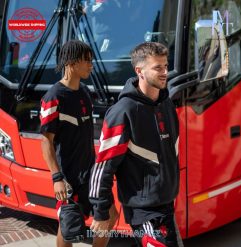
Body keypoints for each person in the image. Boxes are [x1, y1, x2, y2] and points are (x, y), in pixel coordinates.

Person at [89, 42, 183, 247]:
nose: (165, 72)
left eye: (166, 66)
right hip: (144, 212)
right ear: (139, 71)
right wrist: (101, 210)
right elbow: (102, 167)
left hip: (166, 205)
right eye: (158, 67)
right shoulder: (122, 112)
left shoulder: (166, 104)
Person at [40, 40, 118, 247]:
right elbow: (46, 142)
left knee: (110, 216)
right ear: (72, 63)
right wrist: (57, 177)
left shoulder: (84, 92)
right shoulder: (53, 97)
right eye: (87, 61)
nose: (91, 65)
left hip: (91, 172)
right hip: (68, 175)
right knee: (70, 227)